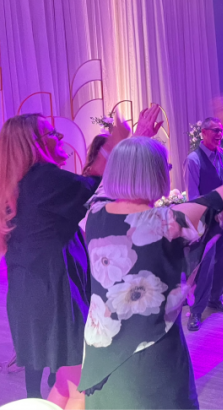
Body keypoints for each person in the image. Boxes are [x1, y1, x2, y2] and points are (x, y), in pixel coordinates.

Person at [78, 96, 223, 409]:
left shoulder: (94, 214)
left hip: (100, 361)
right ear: (156, 173)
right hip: (154, 364)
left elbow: (107, 182)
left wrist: (139, 135)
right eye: (166, 166)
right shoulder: (168, 222)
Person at [0, 112, 128, 398]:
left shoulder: (16, 183)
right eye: (51, 133)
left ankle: (37, 400)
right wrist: (115, 143)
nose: (59, 136)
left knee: (42, 360)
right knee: (74, 370)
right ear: (33, 143)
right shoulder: (43, 178)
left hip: (26, 288)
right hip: (53, 288)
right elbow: (91, 187)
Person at [183, 116, 223, 331]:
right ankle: (196, 310)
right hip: (206, 220)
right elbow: (193, 196)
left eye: (221, 131)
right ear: (203, 133)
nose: (220, 134)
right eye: (215, 130)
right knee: (205, 264)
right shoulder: (193, 160)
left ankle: (216, 298)